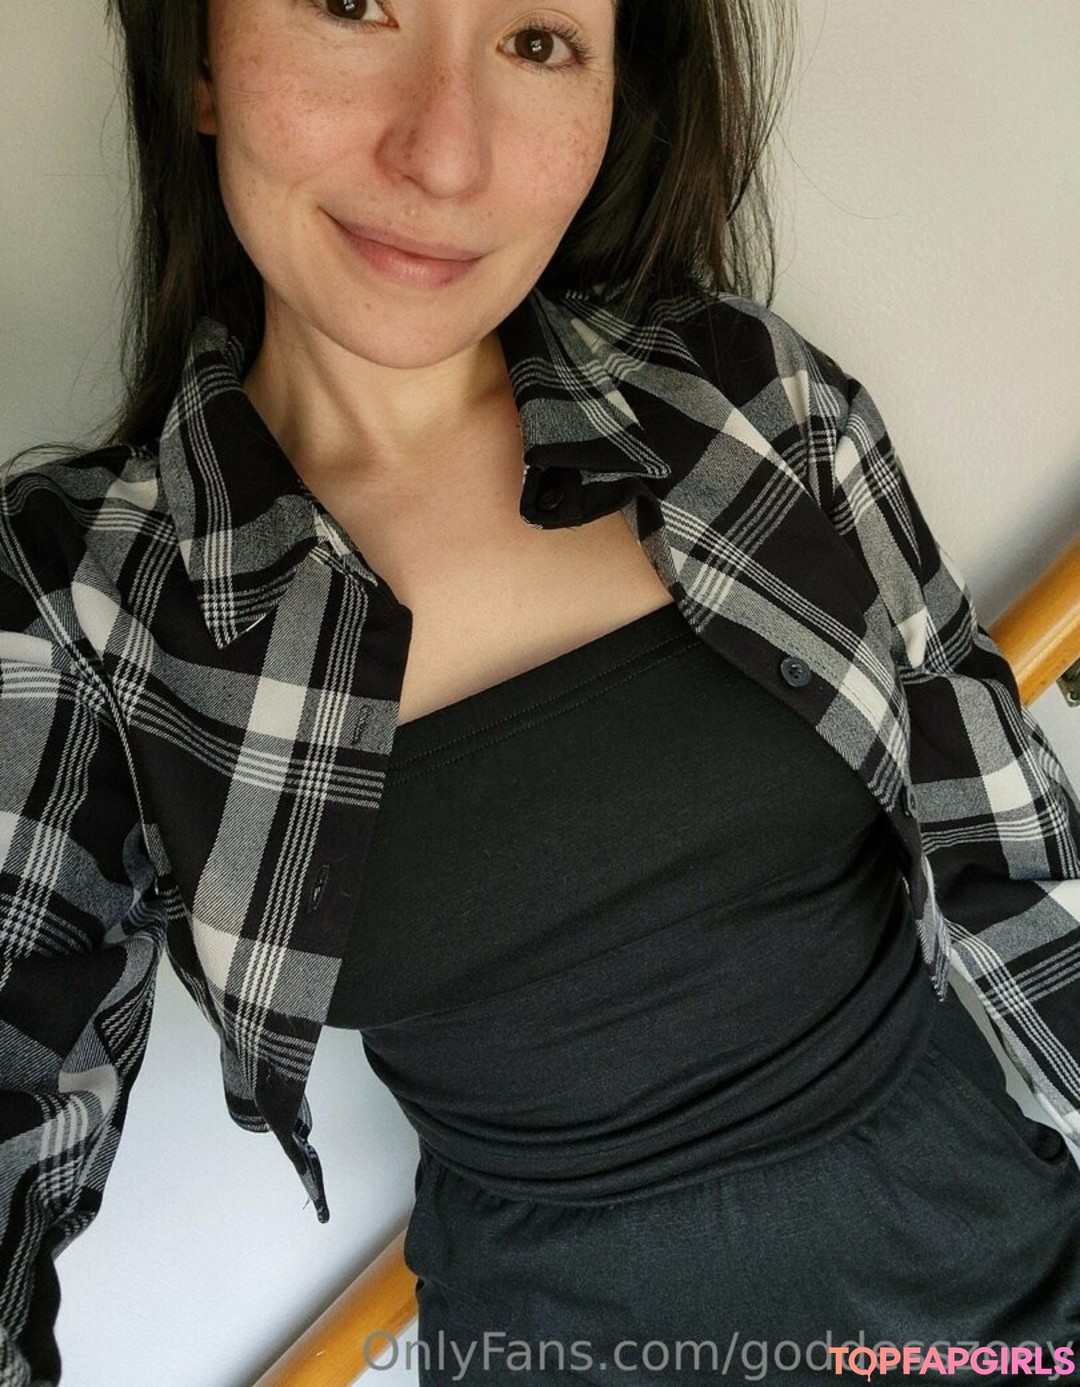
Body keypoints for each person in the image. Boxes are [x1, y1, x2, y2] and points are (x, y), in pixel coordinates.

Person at [2, 1, 1079, 1383]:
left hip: (1010, 1322)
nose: (446, 155)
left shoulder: (746, 400)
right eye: (352, 2)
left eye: (537, 41)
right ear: (198, 61)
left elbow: (1016, 865)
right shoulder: (81, 599)